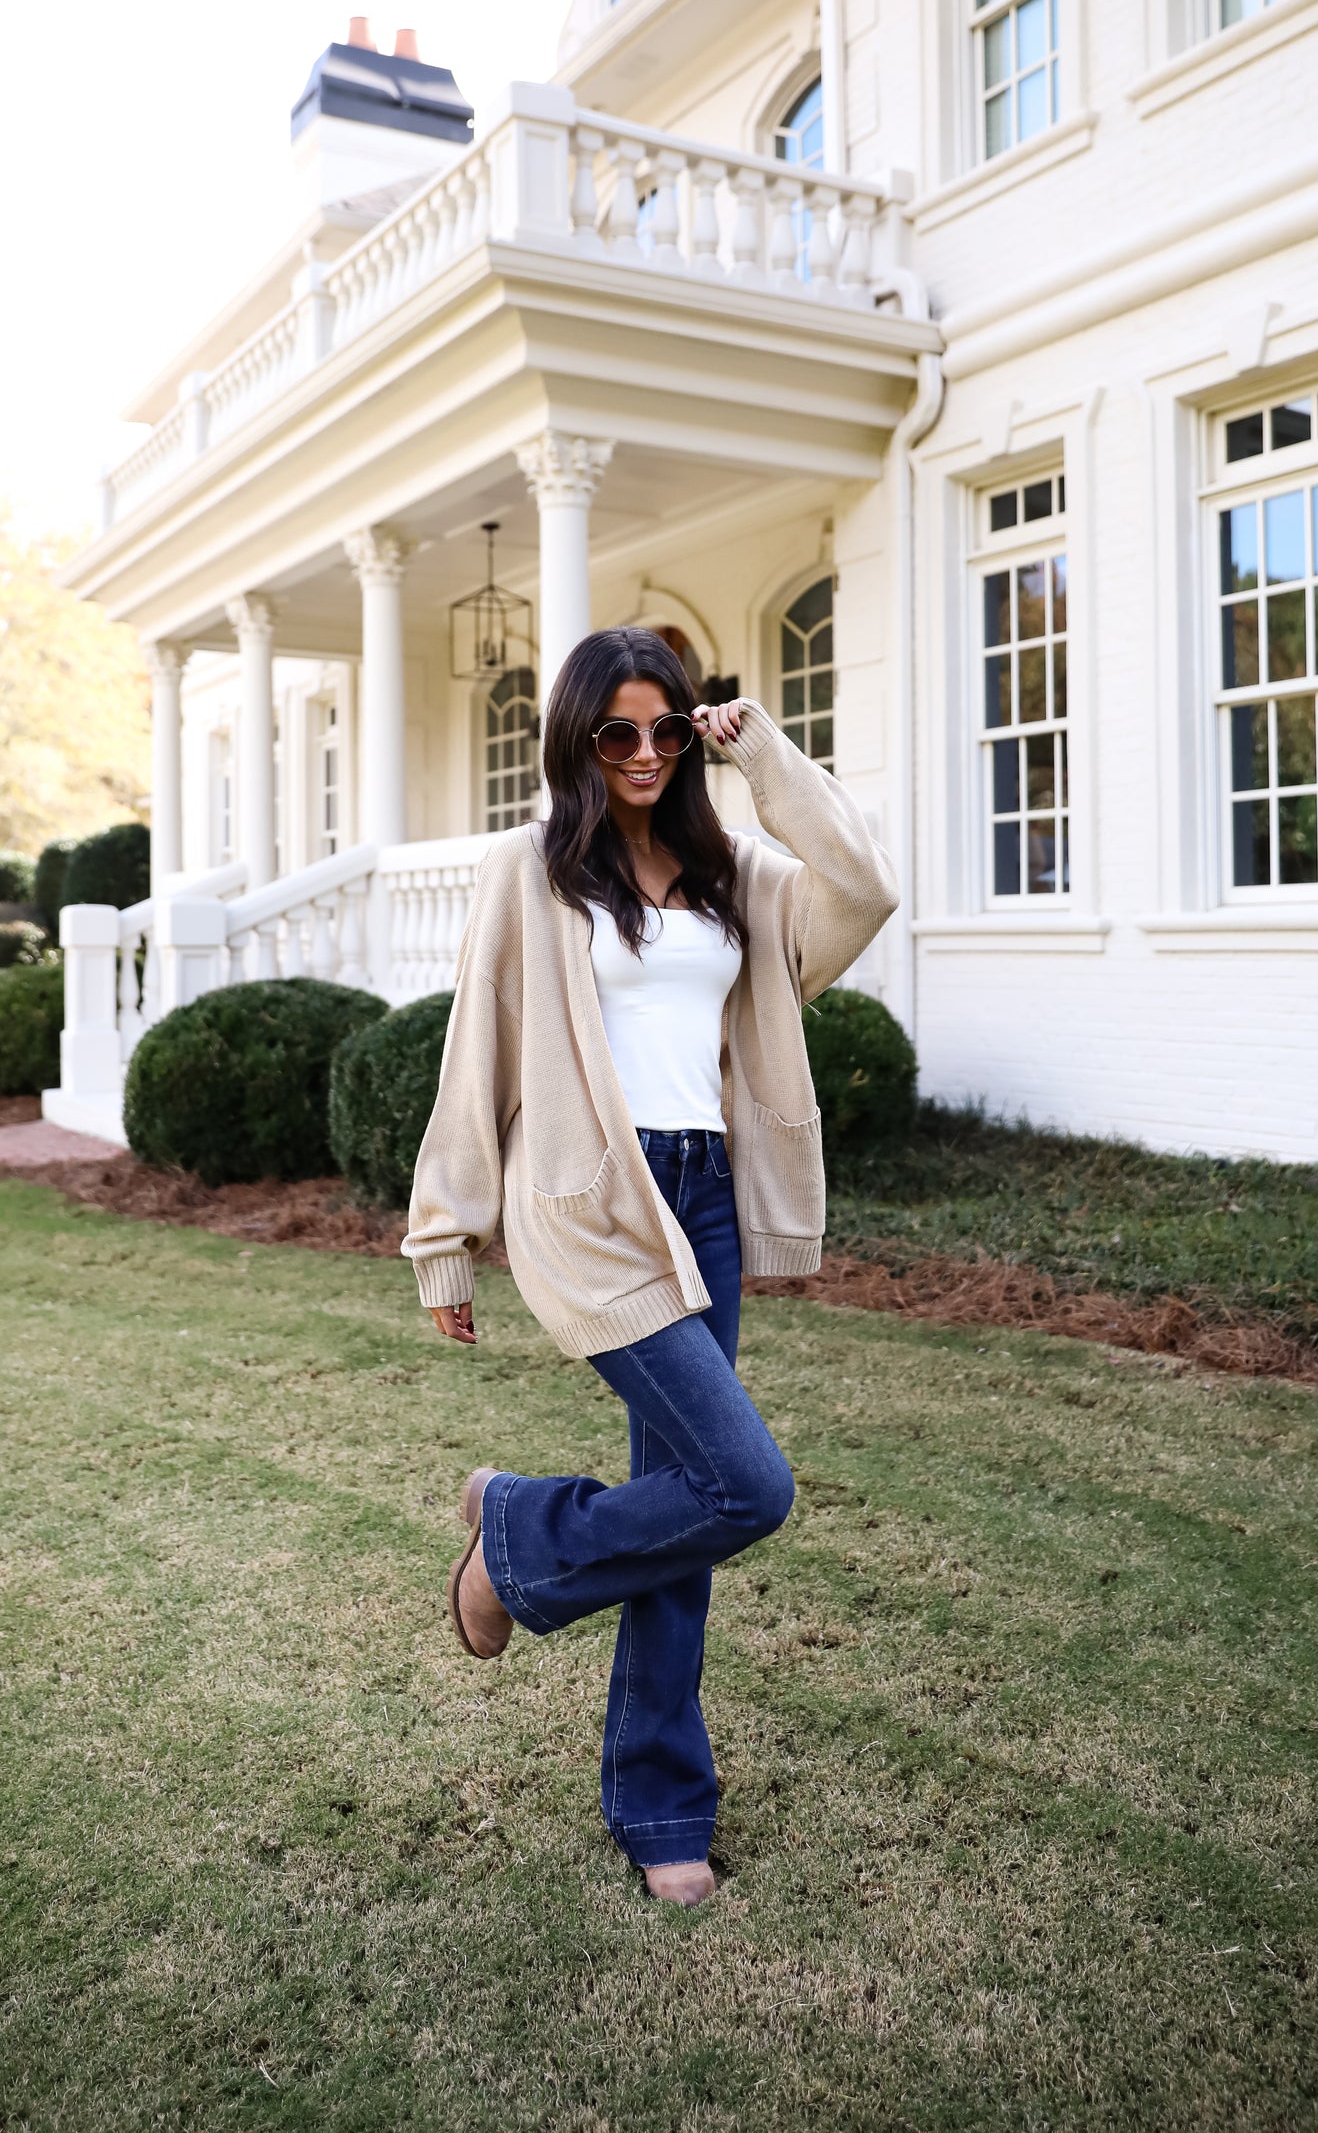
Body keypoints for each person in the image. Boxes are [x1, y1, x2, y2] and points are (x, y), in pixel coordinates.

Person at [403, 626, 897, 1907]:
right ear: (576, 738)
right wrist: (445, 1233)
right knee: (746, 1484)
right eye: (615, 731)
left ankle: (659, 1805)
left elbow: (866, 890)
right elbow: (481, 1045)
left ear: (690, 735)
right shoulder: (535, 869)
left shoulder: (735, 868)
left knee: (686, 1509)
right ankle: (514, 1542)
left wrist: (766, 759)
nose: (640, 754)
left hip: (706, 1202)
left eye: (664, 730)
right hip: (591, 1202)